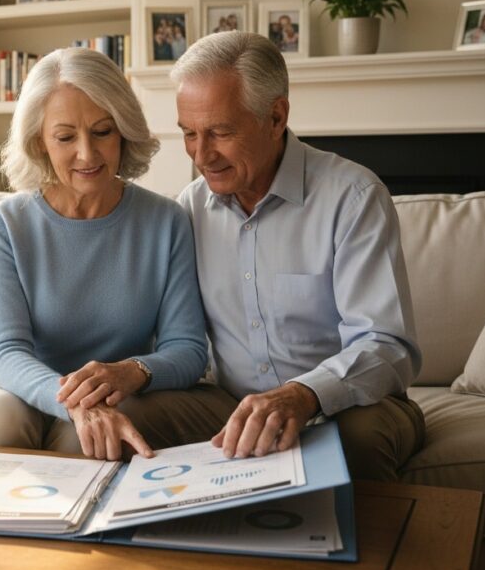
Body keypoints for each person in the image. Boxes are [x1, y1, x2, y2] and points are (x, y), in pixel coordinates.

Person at [0, 47, 238, 461]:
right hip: (10, 384)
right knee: (3, 423)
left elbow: (188, 349)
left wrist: (133, 371)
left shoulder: (166, 222)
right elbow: (6, 352)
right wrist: (75, 404)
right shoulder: (2, 227)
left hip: (115, 392)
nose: (87, 154)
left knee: (90, 443)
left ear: (123, 131)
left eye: (102, 131)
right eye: (65, 137)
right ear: (39, 142)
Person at [169, 31, 425, 481]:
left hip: (350, 405)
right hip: (231, 407)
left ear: (276, 116)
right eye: (189, 134)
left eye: (220, 132)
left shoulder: (353, 196)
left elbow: (387, 344)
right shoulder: (189, 209)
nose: (202, 155)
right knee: (128, 418)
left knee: (357, 442)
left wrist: (302, 395)